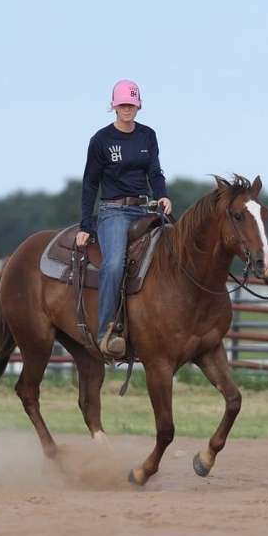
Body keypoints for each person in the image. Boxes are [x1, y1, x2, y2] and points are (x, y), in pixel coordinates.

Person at [76, 79, 172, 360]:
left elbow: (155, 171)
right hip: (113, 212)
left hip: (145, 209)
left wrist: (163, 195)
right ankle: (107, 330)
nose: (127, 109)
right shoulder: (101, 140)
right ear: (114, 107)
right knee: (115, 263)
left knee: (173, 253)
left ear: (138, 105)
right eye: (122, 105)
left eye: (131, 104)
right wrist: (85, 224)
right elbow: (90, 184)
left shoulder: (148, 135)